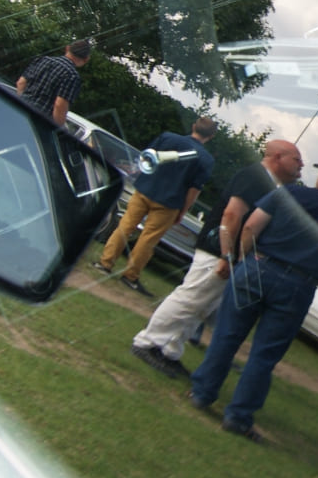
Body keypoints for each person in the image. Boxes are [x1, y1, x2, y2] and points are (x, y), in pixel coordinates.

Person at [188, 160, 318, 441]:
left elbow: (251, 227)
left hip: (259, 266)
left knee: (227, 335)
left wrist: (242, 260)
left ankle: (202, 393)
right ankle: (238, 416)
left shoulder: (290, 193)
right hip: (299, 285)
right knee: (264, 354)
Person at [129, 139, 303, 378]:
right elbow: (232, 214)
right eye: (296, 160)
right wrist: (227, 255)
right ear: (277, 157)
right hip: (217, 251)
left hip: (225, 253)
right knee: (190, 298)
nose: (301, 166)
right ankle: (147, 343)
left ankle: (168, 351)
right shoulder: (255, 177)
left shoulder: (266, 183)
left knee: (201, 306)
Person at [94, 117, 217, 296]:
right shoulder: (206, 160)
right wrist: (183, 210)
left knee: (125, 226)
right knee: (148, 239)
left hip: (145, 189)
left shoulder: (168, 138)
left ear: (193, 126)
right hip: (169, 201)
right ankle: (130, 275)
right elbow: (194, 189)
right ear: (211, 136)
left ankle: (105, 263)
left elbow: (146, 159)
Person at [16, 38, 91, 125]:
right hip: (38, 122)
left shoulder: (42, 60)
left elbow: (20, 83)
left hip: (19, 111)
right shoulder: (72, 76)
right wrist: (58, 127)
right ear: (86, 59)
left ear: (67, 48)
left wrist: (23, 102)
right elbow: (59, 105)